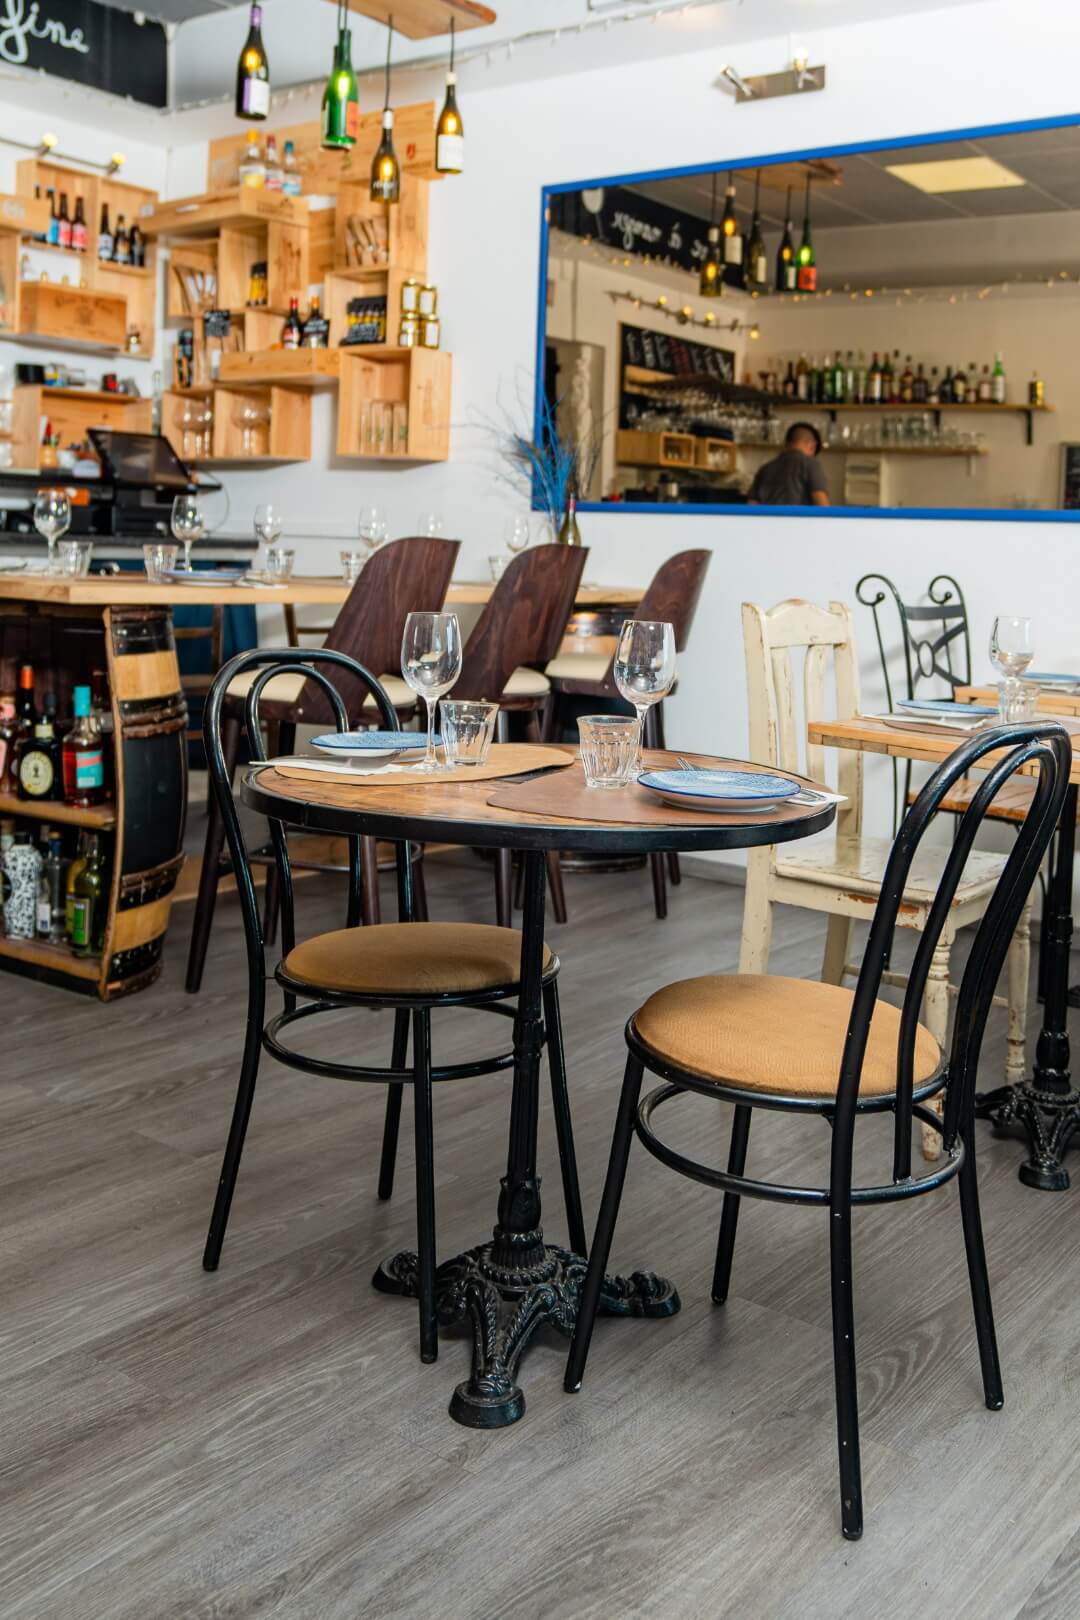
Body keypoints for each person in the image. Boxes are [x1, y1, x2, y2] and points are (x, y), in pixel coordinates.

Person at [747, 422, 831, 507]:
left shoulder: (765, 468)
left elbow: (752, 504)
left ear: (786, 443)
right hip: (799, 519)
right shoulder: (811, 464)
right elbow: (821, 502)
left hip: (767, 519)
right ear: (812, 446)